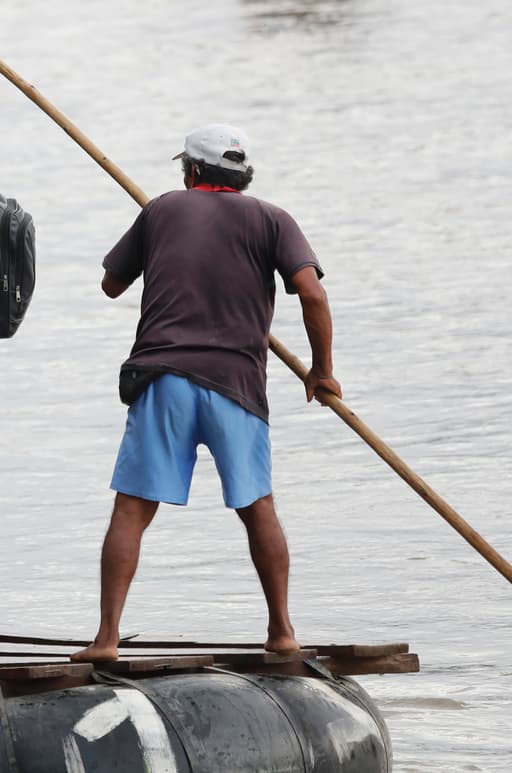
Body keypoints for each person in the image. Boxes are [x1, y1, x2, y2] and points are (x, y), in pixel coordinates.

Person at [73, 124, 341, 663]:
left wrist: (157, 235)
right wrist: (321, 371)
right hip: (237, 385)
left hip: (164, 378)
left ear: (192, 171)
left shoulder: (162, 210)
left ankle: (106, 640)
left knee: (131, 510)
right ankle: (283, 632)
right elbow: (311, 292)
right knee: (257, 507)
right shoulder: (272, 219)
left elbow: (110, 284)